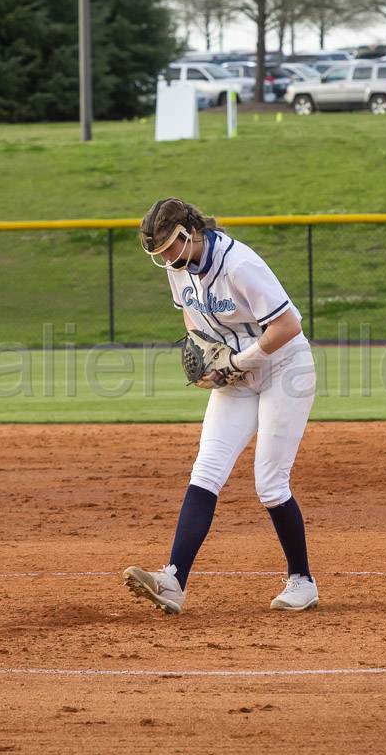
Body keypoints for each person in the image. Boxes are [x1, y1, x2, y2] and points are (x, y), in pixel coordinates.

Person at [123, 198, 320, 614]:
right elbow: (192, 321)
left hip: (285, 368)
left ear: (188, 232)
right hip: (236, 374)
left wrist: (239, 362)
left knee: (269, 482)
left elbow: (288, 325)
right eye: (157, 254)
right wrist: (209, 362)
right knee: (207, 469)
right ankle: (174, 580)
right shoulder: (179, 270)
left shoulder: (239, 265)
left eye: (169, 249)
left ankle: (302, 580)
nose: (166, 260)